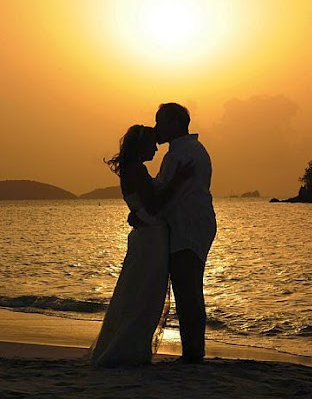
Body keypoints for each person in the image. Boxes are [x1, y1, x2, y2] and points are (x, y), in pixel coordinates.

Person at [90, 125, 191, 367]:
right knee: (144, 294)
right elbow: (154, 205)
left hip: (148, 236)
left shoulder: (132, 170)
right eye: (152, 144)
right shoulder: (137, 170)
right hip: (150, 240)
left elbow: (144, 205)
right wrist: (178, 180)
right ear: (141, 146)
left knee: (140, 292)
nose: (155, 149)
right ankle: (128, 350)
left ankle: (131, 348)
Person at [131, 103, 217, 364]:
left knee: (188, 290)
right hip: (188, 226)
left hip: (189, 228)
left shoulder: (184, 154)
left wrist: (141, 212)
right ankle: (193, 350)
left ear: (176, 124)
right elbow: (163, 191)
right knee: (187, 289)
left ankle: (193, 353)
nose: (157, 129)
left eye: (161, 123)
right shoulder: (183, 152)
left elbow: (165, 196)